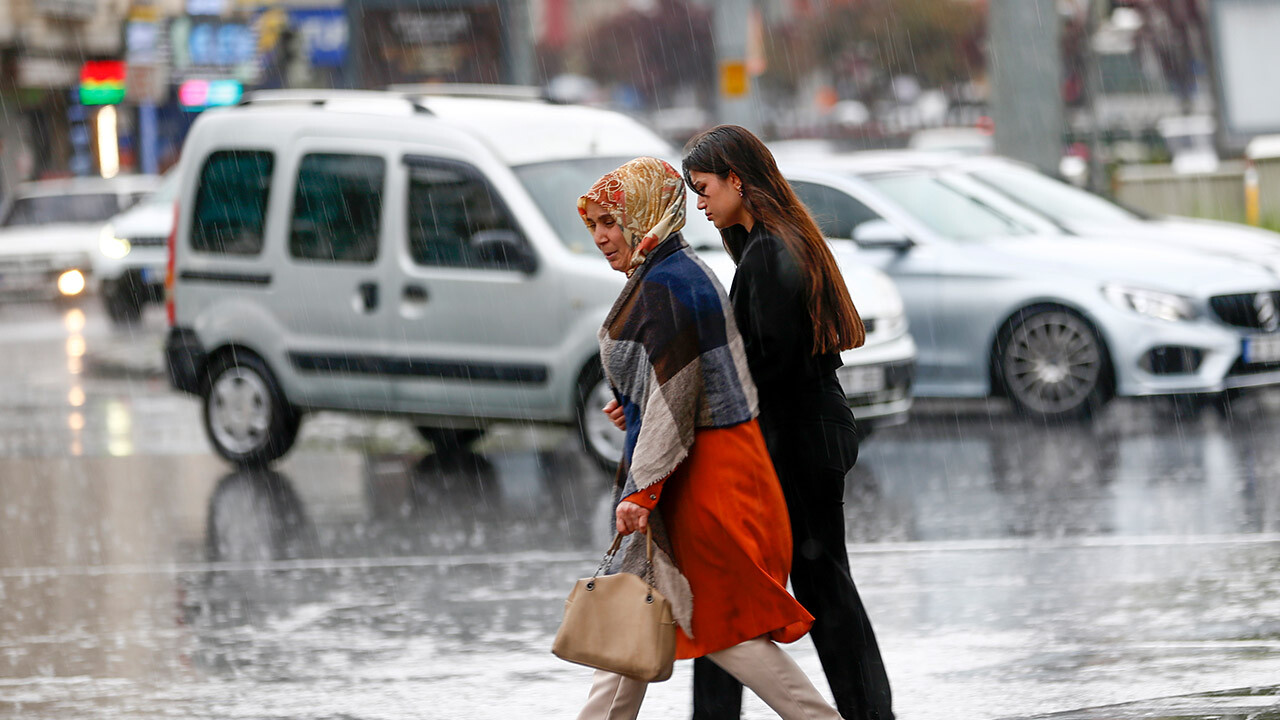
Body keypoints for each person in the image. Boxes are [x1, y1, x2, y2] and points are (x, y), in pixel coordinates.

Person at [575, 156, 841, 720]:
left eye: (610, 221)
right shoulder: (665, 273)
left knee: (722, 627)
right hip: (691, 469)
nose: (601, 236)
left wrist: (641, 492)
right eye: (593, 224)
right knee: (647, 619)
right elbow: (674, 383)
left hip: (700, 477)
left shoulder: (671, 283)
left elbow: (676, 399)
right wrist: (635, 401)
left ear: (645, 214)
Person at [679, 125, 896, 720]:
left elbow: (767, 367)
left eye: (703, 188)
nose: (699, 203)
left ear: (737, 181)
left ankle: (869, 715)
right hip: (805, 433)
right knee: (797, 587)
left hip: (794, 439)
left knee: (789, 587)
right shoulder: (771, 243)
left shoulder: (771, 252)